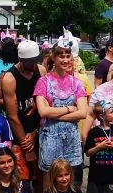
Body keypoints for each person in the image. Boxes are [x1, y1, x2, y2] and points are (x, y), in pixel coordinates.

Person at [34, 44, 88, 185]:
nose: (65, 60)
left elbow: (83, 112)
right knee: (49, 183)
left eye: (68, 56)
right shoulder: (43, 82)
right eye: (61, 56)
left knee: (69, 182)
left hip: (71, 138)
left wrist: (53, 113)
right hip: (50, 138)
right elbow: (43, 112)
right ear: (53, 57)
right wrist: (70, 109)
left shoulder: (77, 83)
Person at [1, 41, 43, 193]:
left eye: (35, 60)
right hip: (20, 135)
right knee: (21, 179)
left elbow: (45, 104)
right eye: (29, 62)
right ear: (20, 59)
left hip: (39, 131)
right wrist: (27, 146)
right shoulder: (10, 78)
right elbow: (12, 115)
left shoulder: (41, 70)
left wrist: (35, 133)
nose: (32, 64)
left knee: (41, 178)